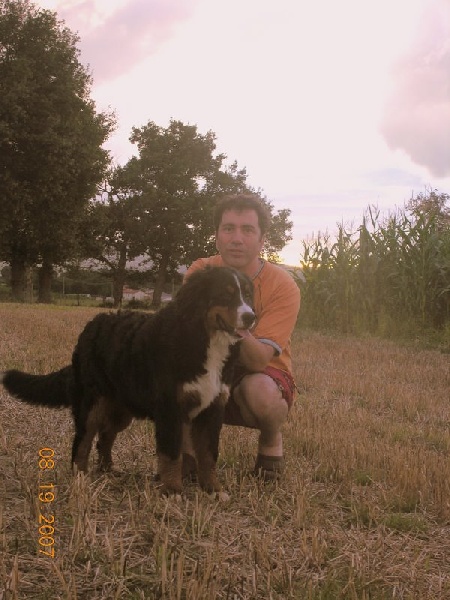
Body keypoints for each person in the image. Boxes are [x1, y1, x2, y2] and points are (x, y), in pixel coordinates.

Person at [184, 194, 301, 480]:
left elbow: (258, 360)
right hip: (207, 365)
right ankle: (185, 456)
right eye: (229, 229)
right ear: (216, 237)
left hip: (258, 371)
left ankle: (270, 441)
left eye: (247, 230)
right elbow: (184, 337)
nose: (237, 239)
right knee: (176, 375)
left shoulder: (283, 286)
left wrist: (234, 319)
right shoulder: (200, 272)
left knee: (261, 393)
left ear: (262, 240)